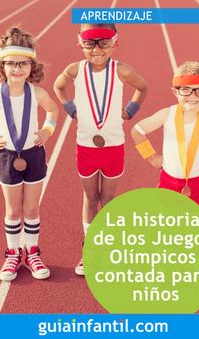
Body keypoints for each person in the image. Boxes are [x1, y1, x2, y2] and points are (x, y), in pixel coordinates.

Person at [54, 23, 148, 275]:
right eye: (90, 44)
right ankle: (90, 249)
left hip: (113, 146)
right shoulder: (75, 69)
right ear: (80, 44)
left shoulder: (122, 70)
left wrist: (130, 110)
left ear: (115, 43)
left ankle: (104, 245)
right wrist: (69, 107)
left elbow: (143, 87)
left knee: (107, 200)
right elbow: (58, 86)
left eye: (104, 43)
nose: (97, 49)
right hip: (85, 146)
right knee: (90, 198)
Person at [131, 61, 199, 300]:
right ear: (175, 91)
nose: (193, 96)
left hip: (197, 183)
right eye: (186, 90)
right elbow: (137, 131)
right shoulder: (167, 114)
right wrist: (150, 156)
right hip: (169, 181)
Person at [0, 27, 58, 281]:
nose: (17, 69)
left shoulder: (37, 93)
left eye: (23, 64)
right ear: (2, 65)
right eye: (11, 63)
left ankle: (33, 252)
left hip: (34, 155)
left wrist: (48, 131)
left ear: (32, 66)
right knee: (13, 210)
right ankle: (13, 253)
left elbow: (52, 111)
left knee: (32, 208)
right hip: (7, 157)